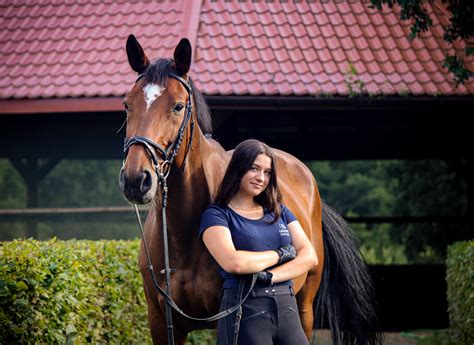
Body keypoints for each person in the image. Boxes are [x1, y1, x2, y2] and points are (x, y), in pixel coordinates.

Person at [199, 139, 318, 345]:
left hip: (286, 307)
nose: (261, 178)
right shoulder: (217, 215)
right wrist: (281, 254)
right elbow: (234, 262)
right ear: (238, 168)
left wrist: (270, 276)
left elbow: (309, 256)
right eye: (254, 169)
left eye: (267, 172)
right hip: (245, 310)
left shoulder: (278, 211)